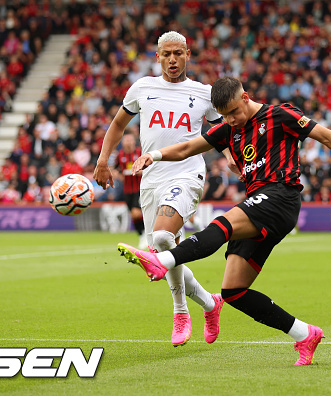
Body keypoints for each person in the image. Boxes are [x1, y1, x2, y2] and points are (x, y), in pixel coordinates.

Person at [117, 77, 331, 365]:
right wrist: (154, 155)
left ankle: (162, 261)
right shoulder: (230, 130)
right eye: (224, 115)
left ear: (245, 97)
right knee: (233, 291)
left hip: (281, 196)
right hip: (259, 201)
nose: (230, 120)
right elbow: (187, 148)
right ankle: (304, 334)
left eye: (233, 112)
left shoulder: (280, 115)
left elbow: (326, 136)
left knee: (223, 224)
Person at [93, 31, 229, 347]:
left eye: (178, 53)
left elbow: (227, 127)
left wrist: (234, 159)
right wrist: (103, 160)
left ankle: (180, 312)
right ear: (158, 57)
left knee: (164, 238)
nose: (172, 59)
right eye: (166, 54)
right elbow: (117, 124)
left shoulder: (205, 93)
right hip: (150, 180)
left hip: (187, 174)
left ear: (188, 55)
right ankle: (210, 303)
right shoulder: (143, 88)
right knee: (166, 253)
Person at [116, 133, 146, 249]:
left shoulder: (140, 153)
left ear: (134, 142)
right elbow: (116, 169)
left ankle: (145, 235)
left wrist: (142, 172)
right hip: (127, 190)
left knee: (136, 212)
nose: (127, 142)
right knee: (134, 216)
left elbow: (151, 167)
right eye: (125, 140)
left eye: (129, 140)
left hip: (139, 188)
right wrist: (118, 175)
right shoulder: (120, 155)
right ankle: (141, 235)